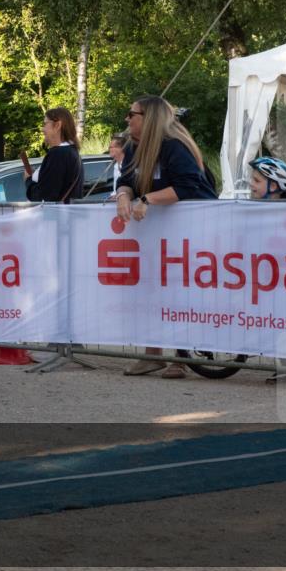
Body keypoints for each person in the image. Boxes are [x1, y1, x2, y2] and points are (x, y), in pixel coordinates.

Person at [115, 95, 217, 379]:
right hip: (162, 233)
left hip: (197, 230)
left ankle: (180, 357)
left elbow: (187, 187)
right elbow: (126, 181)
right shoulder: (134, 147)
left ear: (148, 118)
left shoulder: (174, 147)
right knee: (153, 289)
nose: (127, 118)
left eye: (132, 113)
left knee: (181, 291)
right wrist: (124, 196)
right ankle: (153, 354)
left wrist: (147, 198)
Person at [24, 107, 83, 203]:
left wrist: (28, 180)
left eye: (45, 124)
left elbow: (44, 197)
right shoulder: (71, 152)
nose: (42, 129)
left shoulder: (58, 154)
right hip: (66, 215)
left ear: (58, 125)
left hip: (54, 216)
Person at [108, 133, 127, 198]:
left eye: (111, 147)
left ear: (121, 148)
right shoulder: (116, 165)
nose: (109, 149)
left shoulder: (128, 166)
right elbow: (115, 190)